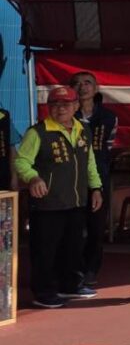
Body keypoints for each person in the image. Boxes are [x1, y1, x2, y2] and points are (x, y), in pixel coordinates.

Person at [14, 87, 103, 308]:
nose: (60, 109)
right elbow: (21, 161)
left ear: (76, 106)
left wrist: (96, 188)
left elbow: (89, 162)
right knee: (45, 250)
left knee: (73, 246)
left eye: (65, 104)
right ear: (48, 107)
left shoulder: (83, 130)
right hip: (47, 204)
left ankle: (70, 285)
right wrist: (33, 178)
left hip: (76, 201)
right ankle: (43, 292)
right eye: (55, 104)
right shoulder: (38, 132)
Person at [71, 71, 117, 288]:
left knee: (96, 227)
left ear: (96, 88)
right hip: (72, 179)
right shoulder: (67, 116)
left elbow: (108, 148)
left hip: (99, 177)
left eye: (87, 83)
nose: (83, 87)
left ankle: (91, 269)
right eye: (77, 84)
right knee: (74, 227)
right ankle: (75, 269)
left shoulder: (108, 117)